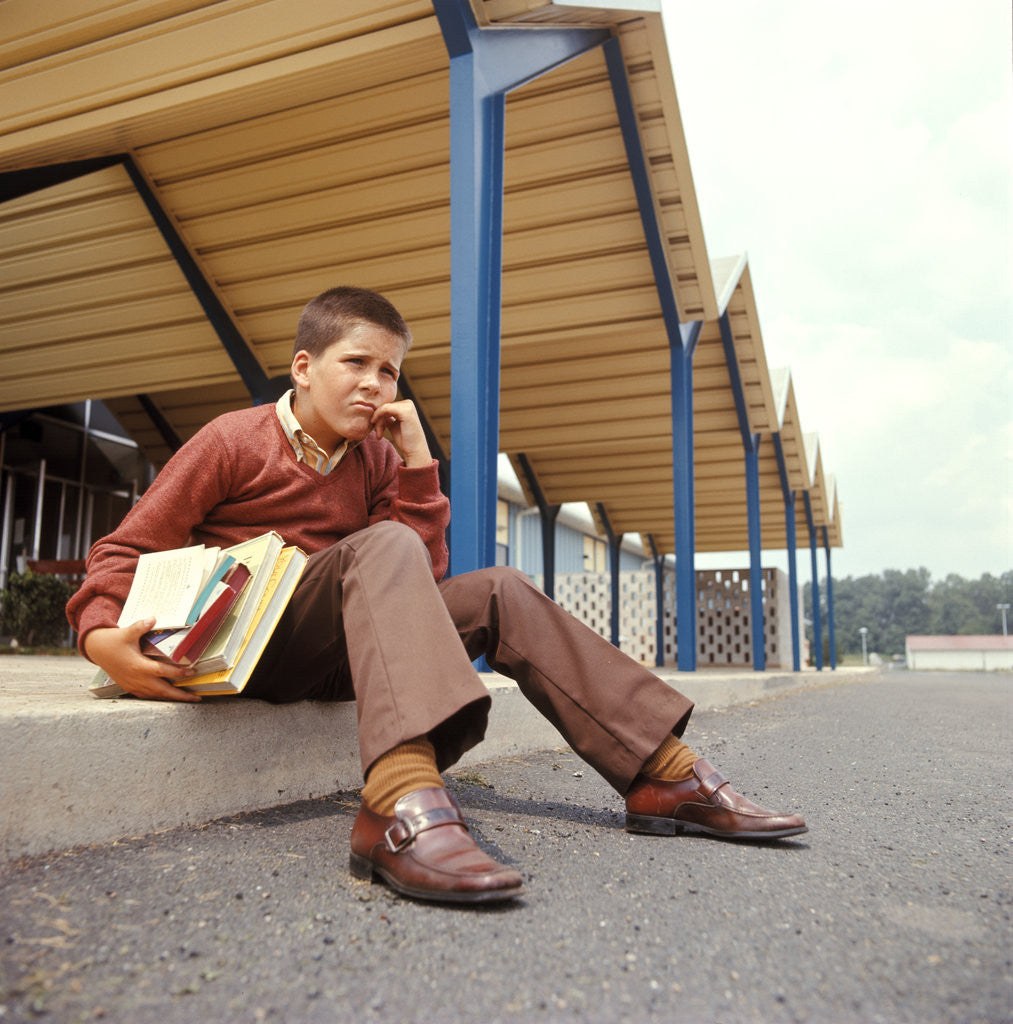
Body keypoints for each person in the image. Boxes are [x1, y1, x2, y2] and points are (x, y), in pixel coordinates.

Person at [67, 286, 807, 905]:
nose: (374, 384)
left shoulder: (381, 459)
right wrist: (102, 640)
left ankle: (664, 777)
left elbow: (415, 585)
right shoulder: (233, 439)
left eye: (389, 372)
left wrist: (420, 466)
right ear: (302, 367)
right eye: (355, 362)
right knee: (383, 546)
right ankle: (396, 798)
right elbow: (123, 550)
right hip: (252, 648)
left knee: (501, 589)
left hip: (348, 648)